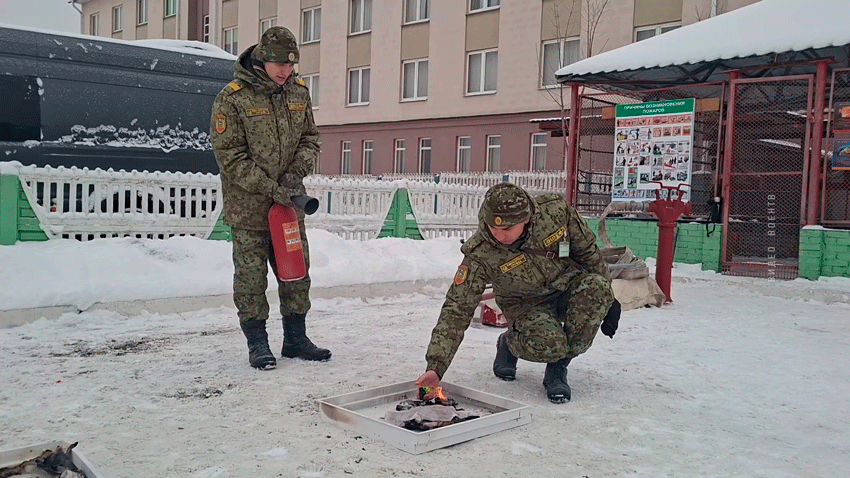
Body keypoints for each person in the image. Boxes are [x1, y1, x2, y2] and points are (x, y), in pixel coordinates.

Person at [415, 183, 620, 403]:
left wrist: (608, 297)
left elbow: (587, 251)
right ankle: (509, 344)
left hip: (567, 288)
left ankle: (558, 368)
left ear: (526, 218)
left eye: (507, 229)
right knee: (551, 345)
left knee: (595, 293)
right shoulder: (481, 253)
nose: (499, 236)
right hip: (525, 305)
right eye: (493, 229)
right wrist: (435, 368)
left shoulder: (555, 211)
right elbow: (457, 308)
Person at [210, 26, 330, 370]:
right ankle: (258, 344)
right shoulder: (232, 98)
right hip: (249, 209)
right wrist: (274, 189)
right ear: (262, 58)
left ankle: (296, 340)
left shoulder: (298, 91)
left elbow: (310, 139)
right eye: (279, 64)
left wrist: (293, 178)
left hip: (289, 208)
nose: (286, 71)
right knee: (250, 280)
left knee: (297, 274)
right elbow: (230, 157)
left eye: (291, 65)